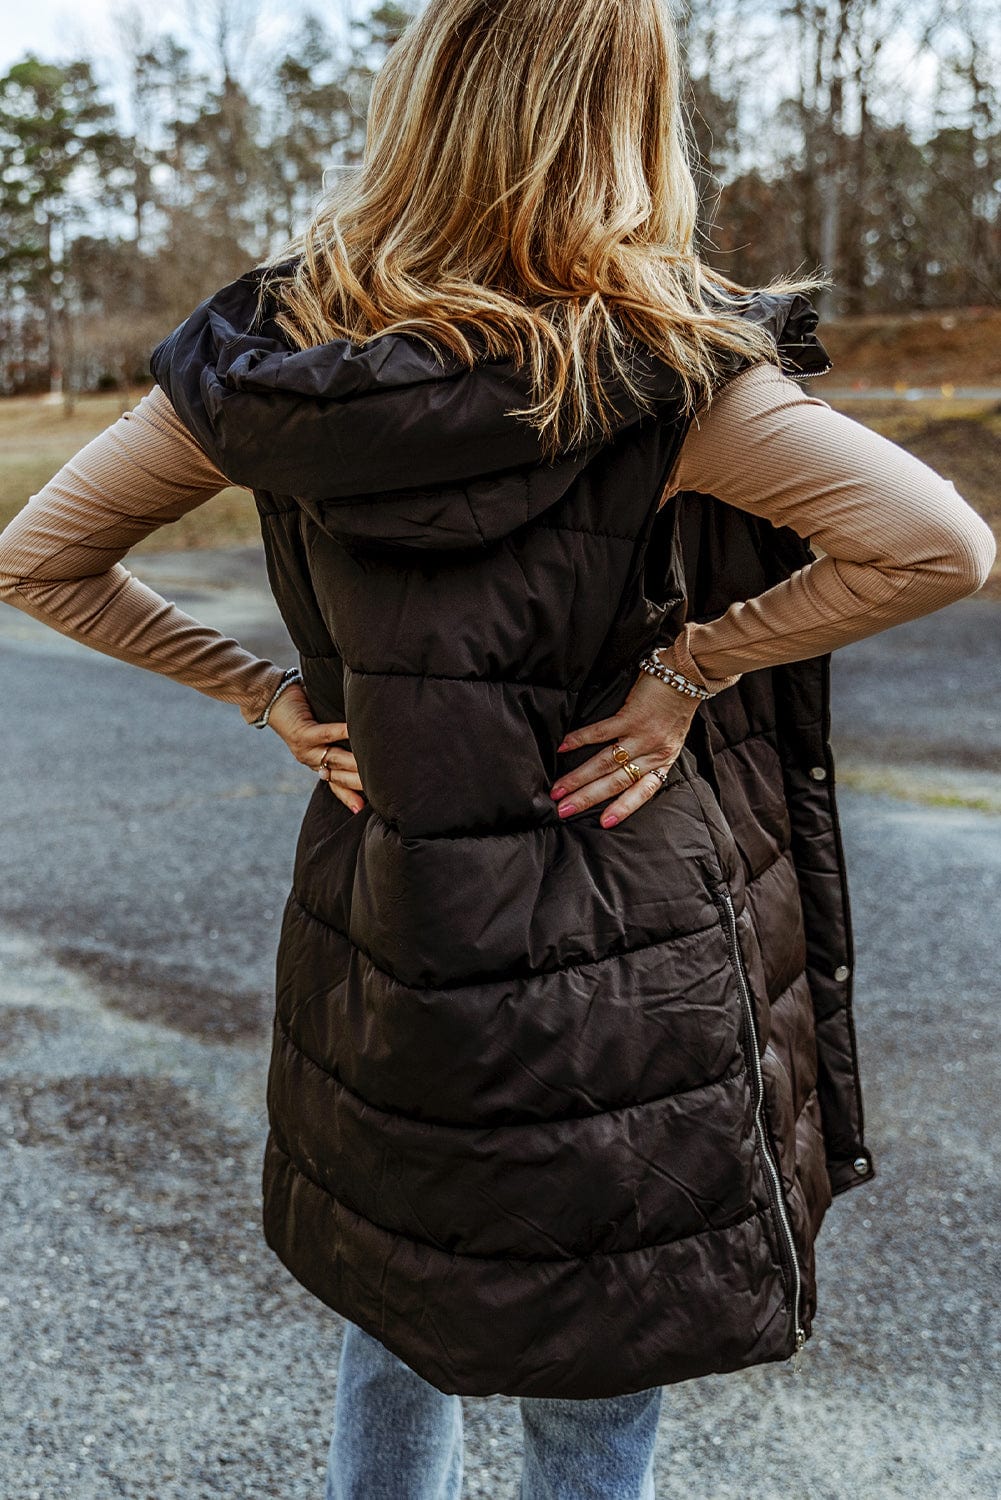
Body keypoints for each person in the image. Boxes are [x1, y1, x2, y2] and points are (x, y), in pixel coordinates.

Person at [0, 1, 995, 1496]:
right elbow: (935, 547)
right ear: (625, 123)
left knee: (399, 1301)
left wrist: (262, 696)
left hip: (392, 916)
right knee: (597, 1359)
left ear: (419, 103)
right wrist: (687, 672)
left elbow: (39, 558)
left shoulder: (272, 365)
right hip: (618, 928)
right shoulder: (668, 372)